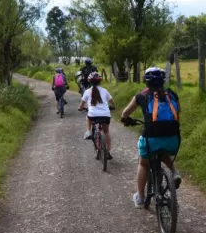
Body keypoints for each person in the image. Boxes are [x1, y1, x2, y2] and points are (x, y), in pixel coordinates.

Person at [121, 67, 182, 209]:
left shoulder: (141, 96)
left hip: (151, 139)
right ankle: (174, 173)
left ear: (146, 81)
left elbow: (125, 113)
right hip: (173, 139)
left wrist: (126, 119)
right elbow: (178, 111)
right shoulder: (171, 94)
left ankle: (141, 197)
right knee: (163, 150)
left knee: (143, 163)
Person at [78, 72, 115, 160]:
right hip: (105, 115)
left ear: (90, 82)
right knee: (106, 132)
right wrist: (113, 107)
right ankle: (108, 152)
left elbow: (81, 105)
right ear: (100, 81)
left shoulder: (87, 92)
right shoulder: (105, 90)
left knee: (88, 116)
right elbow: (112, 102)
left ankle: (88, 132)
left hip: (93, 115)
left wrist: (80, 108)